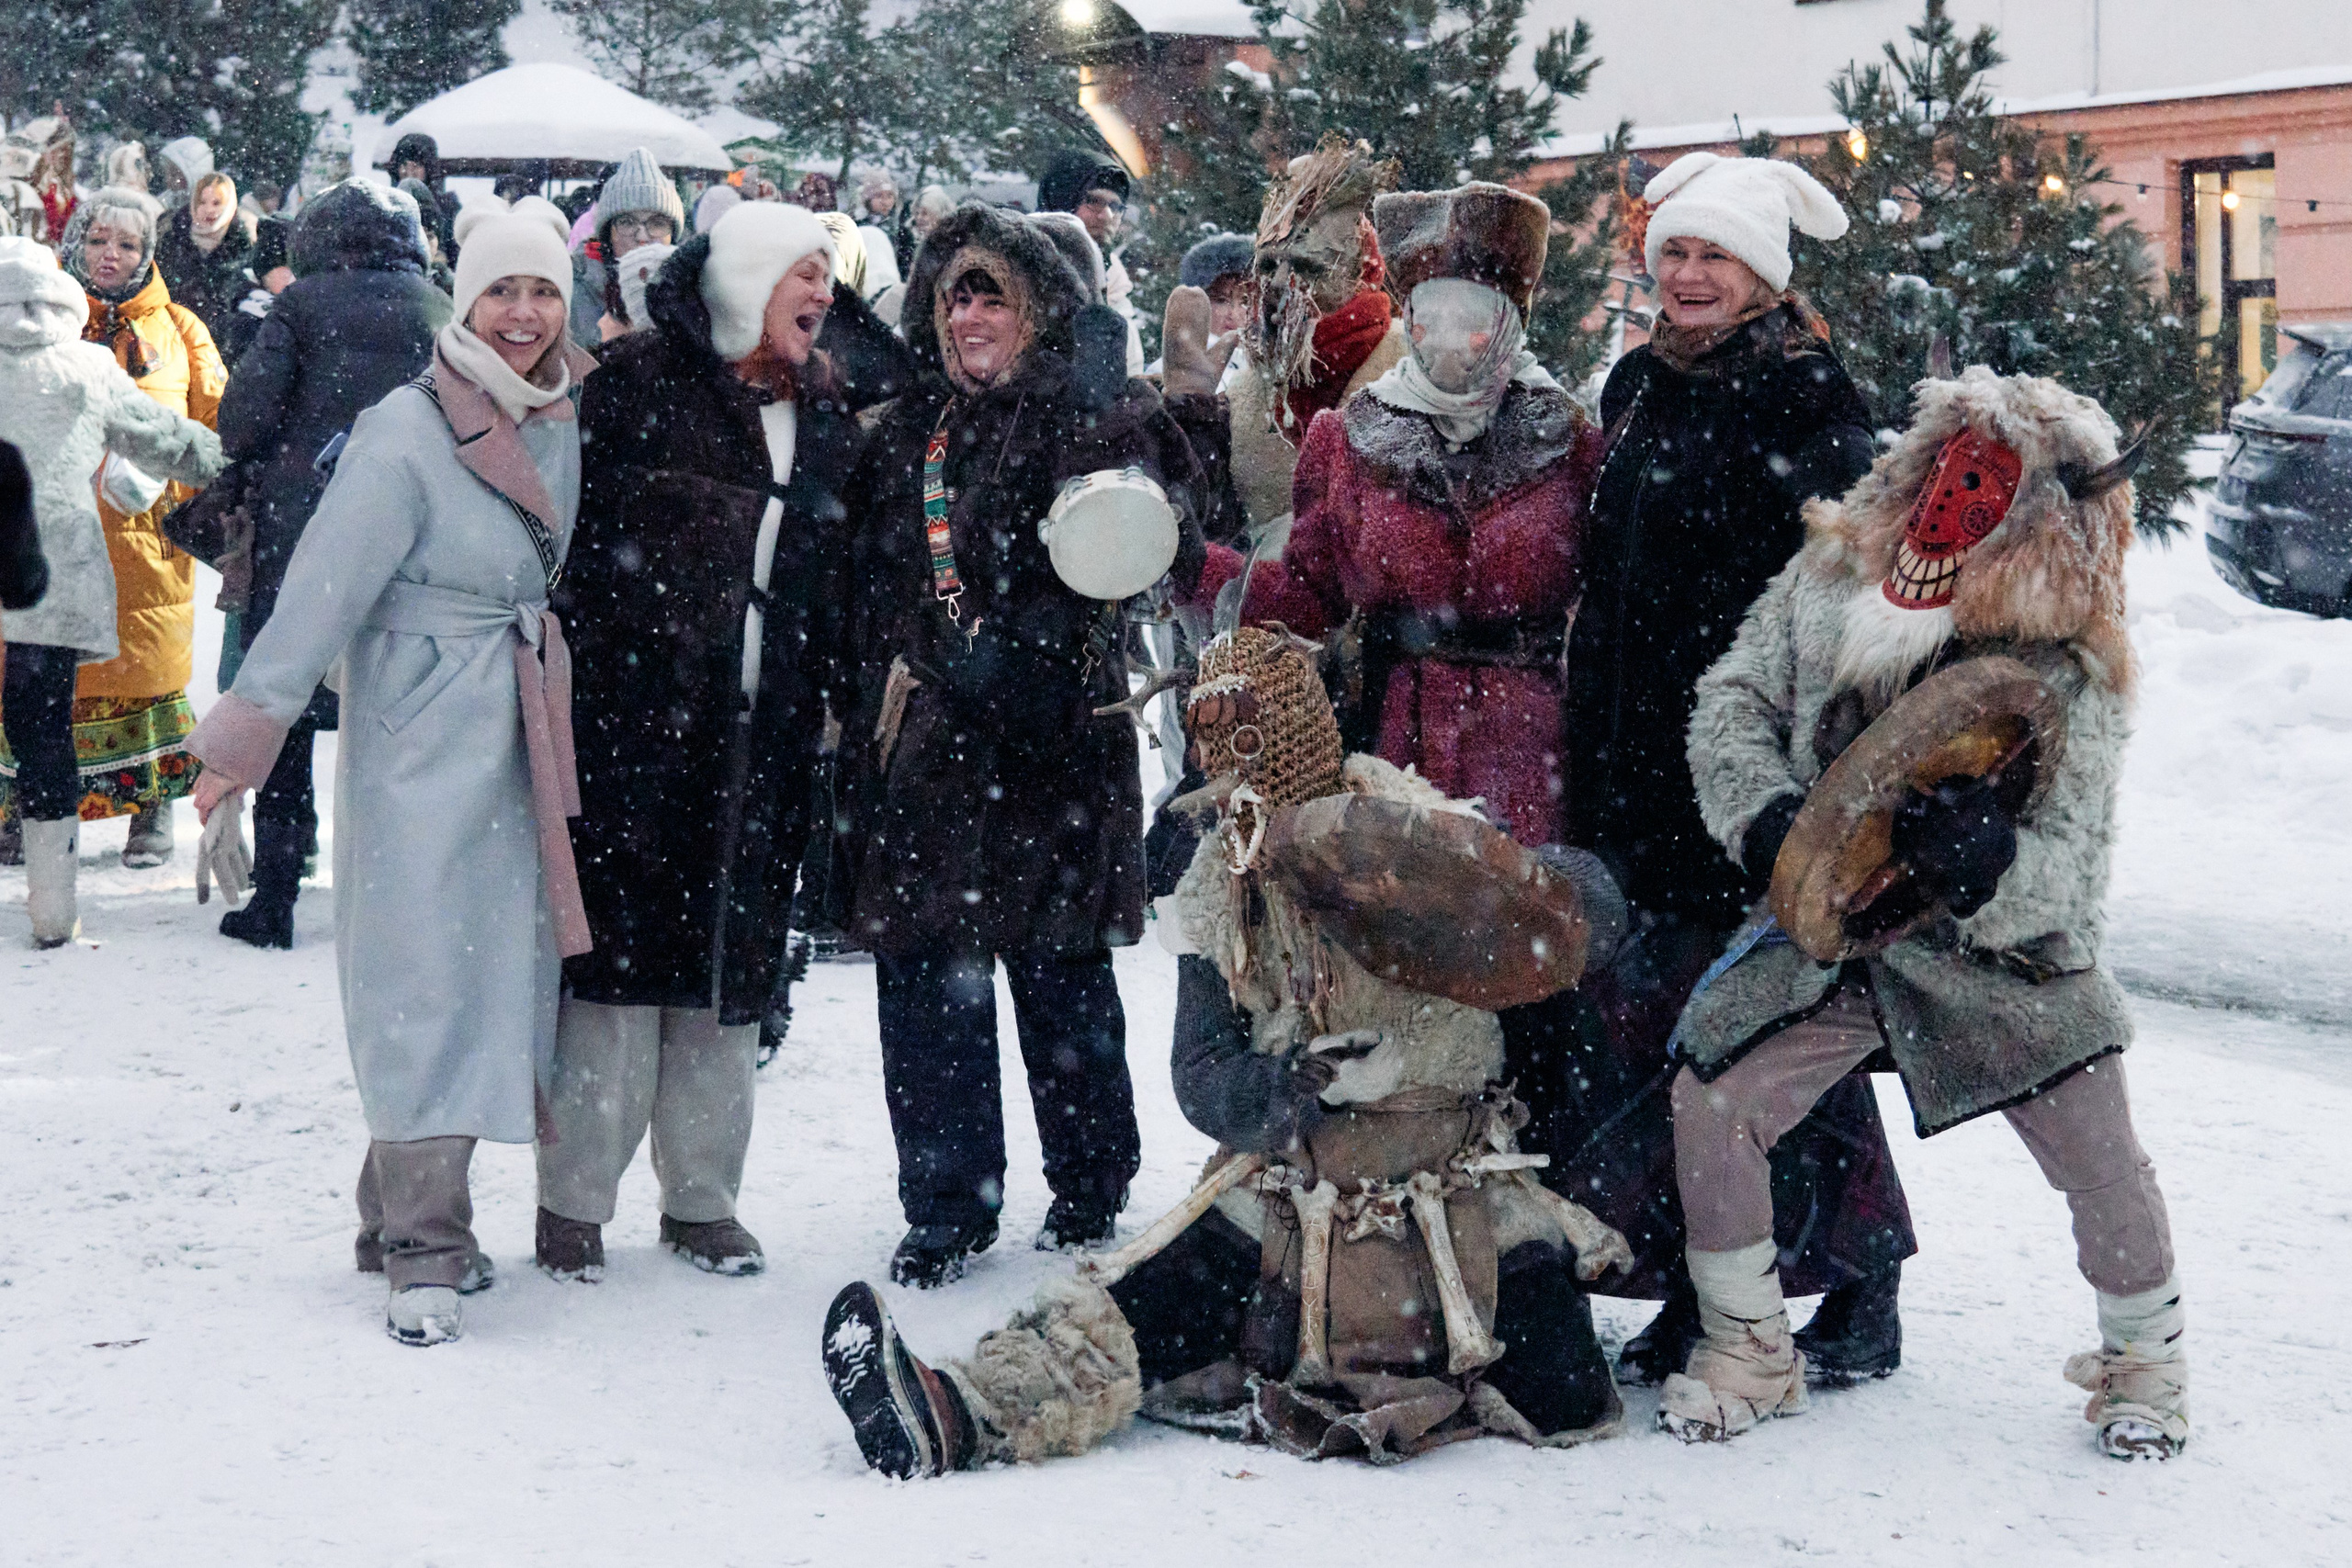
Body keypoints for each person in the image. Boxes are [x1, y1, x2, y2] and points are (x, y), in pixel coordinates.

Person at [821, 626, 1625, 1475]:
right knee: (1144, 1305)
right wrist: (1301, 1082)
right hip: (1298, 1190)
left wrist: (1502, 888)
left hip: (1456, 1183)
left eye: (1248, 734)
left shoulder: (1416, 826)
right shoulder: (1217, 886)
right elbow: (1200, 1075)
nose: (1226, 763)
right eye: (1207, 739)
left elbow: (1591, 911)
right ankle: (955, 1409)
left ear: (1304, 727)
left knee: (1564, 1388)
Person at [1660, 367, 2185, 1458]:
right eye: (1949, 463)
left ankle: (2144, 1362)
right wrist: (1765, 821)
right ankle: (1749, 1347)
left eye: (1989, 476)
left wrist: (1990, 865)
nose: (1956, 494)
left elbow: (2075, 850)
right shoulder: (1830, 569)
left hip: (1995, 952)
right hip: (1831, 930)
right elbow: (1734, 696)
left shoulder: (2069, 651)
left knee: (2099, 1149)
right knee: (1712, 1093)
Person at [185, 201, 597, 1346]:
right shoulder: (405, 427)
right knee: (422, 964)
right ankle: (425, 1241)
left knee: (486, 967)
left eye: (543, 292)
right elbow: (323, 584)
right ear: (459, 300)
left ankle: (392, 1212)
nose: (522, 315)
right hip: (424, 721)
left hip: (522, 717)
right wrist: (247, 728)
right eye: (501, 292)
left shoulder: (566, 411)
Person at [1560, 152, 1918, 1387]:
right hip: (1630, 753)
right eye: (1676, 251)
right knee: (1665, 1033)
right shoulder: (1637, 382)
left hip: (1746, 767)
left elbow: (1844, 606)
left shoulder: (1808, 401)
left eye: (1718, 255)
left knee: (1774, 1028)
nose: (1692, 275)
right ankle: (1700, 1279)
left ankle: (1865, 1280)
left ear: (1764, 274)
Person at [834, 200, 1204, 1286]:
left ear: (1037, 307)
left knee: (1061, 974)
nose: (971, 316)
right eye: (954, 298)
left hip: (1059, 735)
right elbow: (866, 570)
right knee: (930, 981)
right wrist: (892, 681)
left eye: (992, 293)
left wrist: (1118, 407)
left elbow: (1160, 526)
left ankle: (1091, 1188)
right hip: (936, 743)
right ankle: (947, 1206)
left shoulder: (1090, 407)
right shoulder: (910, 428)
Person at [545, 202, 913, 1282]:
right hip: (635, 727)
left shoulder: (832, 416)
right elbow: (574, 555)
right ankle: (575, 1201)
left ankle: (702, 1198)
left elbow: (848, 583)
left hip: (770, 735)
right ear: (745, 286)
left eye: (829, 277)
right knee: (617, 976)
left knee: (729, 974)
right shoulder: (637, 390)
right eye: (802, 274)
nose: (824, 295)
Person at [1224, 183, 1598, 843]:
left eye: (1474, 318)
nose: (1449, 342)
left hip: (1529, 742)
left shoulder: (1572, 441)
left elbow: (1606, 596)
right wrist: (1205, 572)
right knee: (1396, 915)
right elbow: (1309, 594)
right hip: (1396, 732)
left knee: (1516, 915)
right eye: (1431, 317)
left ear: (1512, 321)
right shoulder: (1351, 437)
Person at [205, 179, 451, 949]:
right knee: (400, 708)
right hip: (415, 533)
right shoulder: (438, 307)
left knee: (290, 693)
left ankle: (277, 890)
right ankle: (393, 896)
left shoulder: (302, 305)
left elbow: (240, 417)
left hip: (301, 523)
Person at [0, 237, 222, 942]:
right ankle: (53, 906)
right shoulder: (89, 367)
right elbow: (167, 441)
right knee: (44, 737)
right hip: (52, 579)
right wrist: (238, 456)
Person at [1037, 150, 1144, 375]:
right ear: (1064, 199)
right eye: (1093, 201)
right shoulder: (1032, 272)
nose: (1106, 215)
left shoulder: (1114, 282)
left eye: (1115, 206)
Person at [568, 148, 683, 349]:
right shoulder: (574, 288)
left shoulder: (694, 291)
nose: (642, 237)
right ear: (607, 234)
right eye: (627, 222)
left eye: (657, 223)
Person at [154, 170, 254, 345]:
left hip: (223, 345)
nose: (209, 210)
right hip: (173, 337)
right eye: (202, 202)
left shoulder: (244, 245)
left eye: (217, 203)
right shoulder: (172, 238)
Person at [390, 132, 462, 248]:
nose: (409, 171)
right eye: (404, 165)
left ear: (429, 169)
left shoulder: (448, 207)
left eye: (416, 165)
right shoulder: (385, 204)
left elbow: (456, 251)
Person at [155, 138, 211, 208]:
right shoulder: (165, 202)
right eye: (166, 174)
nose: (168, 181)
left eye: (174, 175)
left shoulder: (206, 208)